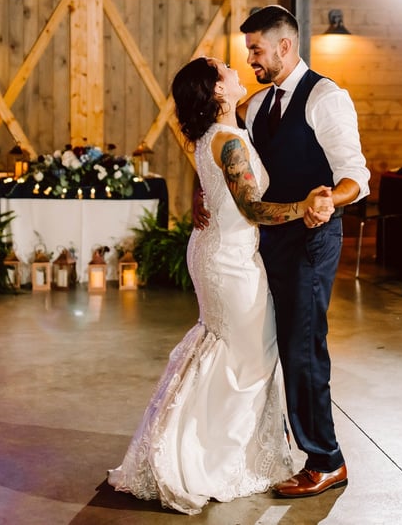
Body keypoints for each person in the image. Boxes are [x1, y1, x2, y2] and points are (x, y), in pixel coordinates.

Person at [107, 56, 334, 515]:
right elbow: (253, 209)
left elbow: (223, 180)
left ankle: (207, 442)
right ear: (216, 92)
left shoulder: (218, 130)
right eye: (225, 70)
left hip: (216, 249)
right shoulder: (228, 141)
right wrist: (305, 204)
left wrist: (202, 192)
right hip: (230, 259)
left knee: (228, 349)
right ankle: (211, 456)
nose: (236, 68)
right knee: (247, 358)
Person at [194, 5, 371, 498]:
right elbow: (221, 152)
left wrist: (327, 201)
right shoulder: (256, 105)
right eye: (247, 50)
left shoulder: (326, 98)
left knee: (302, 346)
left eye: (255, 49)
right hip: (265, 240)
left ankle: (326, 459)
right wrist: (199, 192)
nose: (249, 58)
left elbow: (357, 175)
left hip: (312, 240)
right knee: (271, 343)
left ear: (284, 47)